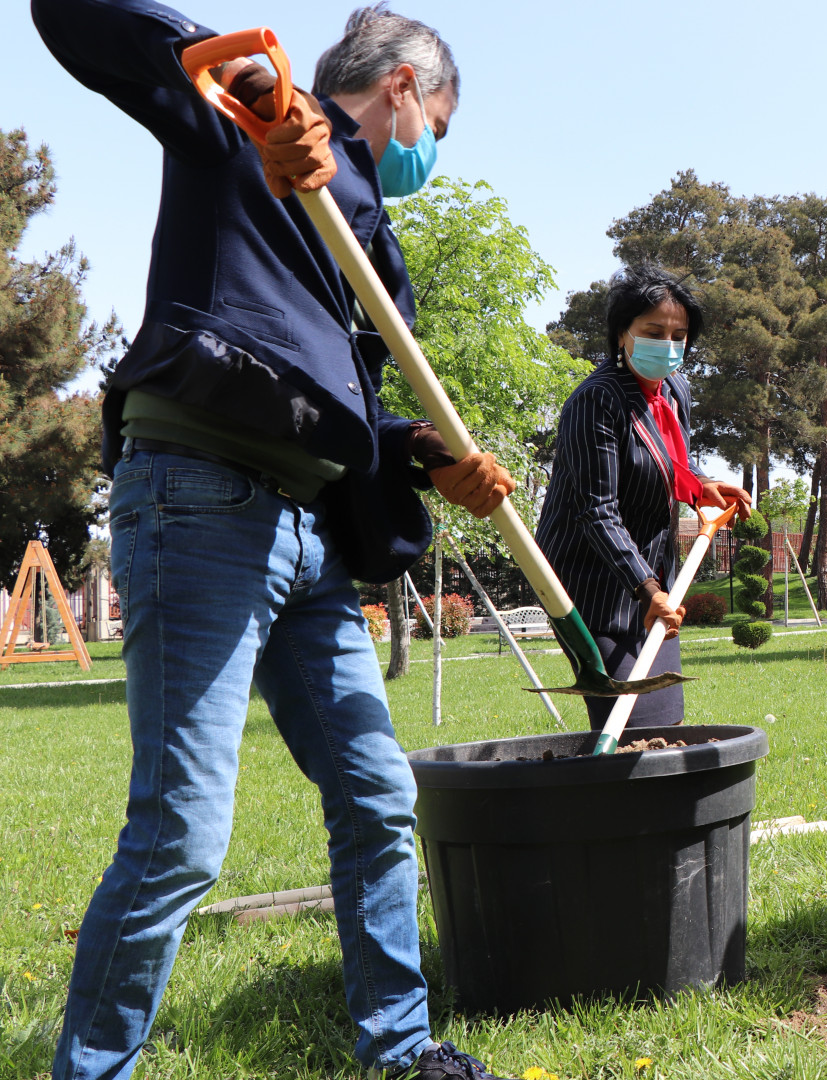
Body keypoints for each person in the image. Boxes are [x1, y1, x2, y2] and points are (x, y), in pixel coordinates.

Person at [34, 3, 519, 1078]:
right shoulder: (242, 125)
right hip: (200, 499)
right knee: (183, 838)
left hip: (313, 533)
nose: (428, 149)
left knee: (379, 798)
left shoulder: (371, 241)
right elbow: (75, 15)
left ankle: (400, 1052)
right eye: (437, 121)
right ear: (403, 89)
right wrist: (257, 87)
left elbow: (333, 401)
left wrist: (425, 452)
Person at [534, 266, 751, 730]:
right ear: (621, 335)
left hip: (655, 584)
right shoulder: (597, 401)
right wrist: (648, 589)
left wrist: (700, 485)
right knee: (631, 720)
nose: (668, 345)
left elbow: (670, 461)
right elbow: (596, 511)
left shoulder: (675, 391)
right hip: (592, 584)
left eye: (680, 335)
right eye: (654, 332)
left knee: (664, 720)